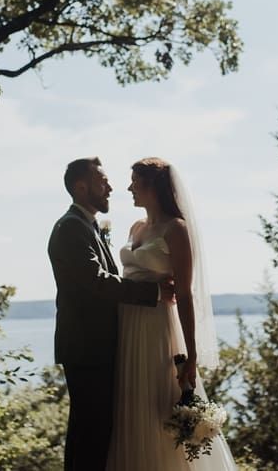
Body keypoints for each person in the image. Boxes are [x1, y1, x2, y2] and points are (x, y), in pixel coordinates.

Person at [107, 157, 237, 471]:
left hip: (156, 328)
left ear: (153, 187)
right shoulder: (136, 227)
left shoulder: (176, 229)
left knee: (157, 408)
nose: (129, 188)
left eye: (135, 182)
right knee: (131, 407)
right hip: (127, 326)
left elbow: (185, 295)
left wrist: (191, 356)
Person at [48, 157, 173, 471]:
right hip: (87, 348)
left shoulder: (85, 225)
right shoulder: (70, 229)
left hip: (97, 346)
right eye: (102, 181)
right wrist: (155, 292)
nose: (111, 187)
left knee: (93, 433)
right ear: (81, 186)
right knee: (90, 435)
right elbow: (96, 281)